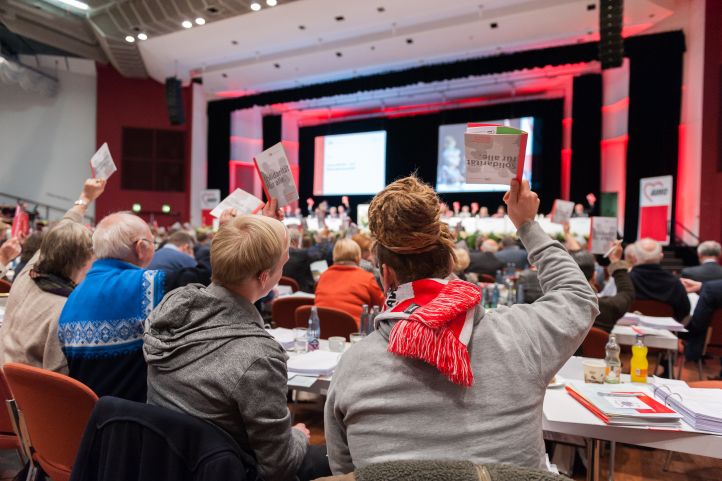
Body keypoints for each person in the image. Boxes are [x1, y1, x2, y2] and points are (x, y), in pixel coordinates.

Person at [324, 177, 598, 473]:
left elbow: (345, 471)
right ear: (450, 264)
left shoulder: (352, 365)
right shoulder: (522, 338)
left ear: (386, 275)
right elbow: (579, 297)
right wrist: (527, 225)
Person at [144, 202, 331, 481]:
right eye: (283, 261)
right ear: (265, 277)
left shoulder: (172, 310)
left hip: (170, 464)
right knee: (338, 453)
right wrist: (297, 437)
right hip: (226, 470)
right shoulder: (258, 356)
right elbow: (278, 466)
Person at [57, 211, 165, 401]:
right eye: (153, 244)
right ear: (140, 248)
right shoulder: (145, 282)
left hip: (88, 419)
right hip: (132, 420)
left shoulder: (73, 295)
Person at [0, 179, 103, 373]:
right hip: (24, 397)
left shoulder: (25, 275)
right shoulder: (67, 312)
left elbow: (65, 225)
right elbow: (58, 377)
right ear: (85, 262)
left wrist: (86, 197)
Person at [314, 239, 385, 323]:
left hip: (321, 329)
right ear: (358, 257)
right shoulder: (367, 278)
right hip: (353, 333)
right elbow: (382, 305)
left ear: (334, 256)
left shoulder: (323, 276)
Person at [572, 245, 634, 332]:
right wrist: (616, 261)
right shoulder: (606, 307)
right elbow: (627, 293)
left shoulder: (554, 306)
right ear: (594, 276)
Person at [629, 238, 690, 322]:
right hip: (666, 332)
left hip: (628, 331)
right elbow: (684, 311)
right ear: (661, 256)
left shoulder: (624, 280)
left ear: (633, 257)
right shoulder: (674, 283)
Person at [679, 279, 722, 374]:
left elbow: (698, 323)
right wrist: (702, 286)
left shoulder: (712, 288)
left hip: (708, 344)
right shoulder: (712, 287)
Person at [283, 229, 325, 293]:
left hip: (282, 295)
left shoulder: (279, 254)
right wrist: (320, 241)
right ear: (296, 241)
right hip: (303, 294)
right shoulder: (303, 254)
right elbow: (320, 255)